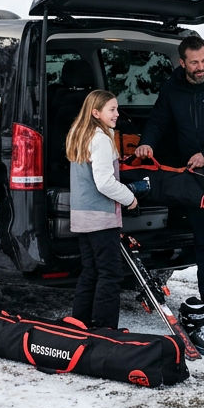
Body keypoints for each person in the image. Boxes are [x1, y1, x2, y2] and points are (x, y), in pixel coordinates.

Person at [134, 36, 204, 312]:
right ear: (182, 63)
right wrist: (147, 142)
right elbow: (158, 120)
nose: (200, 67)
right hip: (190, 176)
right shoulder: (173, 88)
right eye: (194, 62)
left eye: (203, 60)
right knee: (202, 238)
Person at [66, 90, 139, 330]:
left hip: (81, 216)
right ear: (95, 112)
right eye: (112, 109)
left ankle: (80, 322)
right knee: (110, 274)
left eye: (117, 109)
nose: (117, 114)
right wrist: (130, 198)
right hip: (101, 218)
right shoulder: (100, 139)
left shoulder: (79, 135)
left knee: (90, 271)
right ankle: (105, 328)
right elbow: (105, 182)